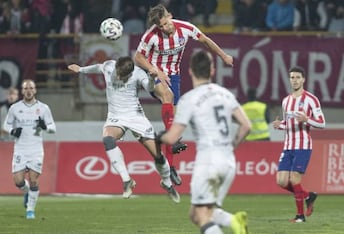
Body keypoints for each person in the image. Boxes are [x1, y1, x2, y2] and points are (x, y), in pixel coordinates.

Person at [134, 4, 234, 186]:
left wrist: (223, 55)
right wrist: (154, 69)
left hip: (174, 76)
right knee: (168, 96)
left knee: (175, 115)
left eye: (165, 24)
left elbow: (205, 40)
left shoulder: (186, 28)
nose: (164, 28)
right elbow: (138, 57)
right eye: (161, 26)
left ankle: (170, 167)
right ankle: (173, 140)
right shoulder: (151, 35)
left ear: (170, 16)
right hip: (154, 74)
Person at [156, 50, 251, 234]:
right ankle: (233, 221)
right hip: (228, 162)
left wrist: (157, 137)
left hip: (208, 162)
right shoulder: (225, 94)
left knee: (202, 216)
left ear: (190, 71)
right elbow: (246, 126)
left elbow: (172, 138)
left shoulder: (188, 99)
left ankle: (232, 223)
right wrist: (230, 148)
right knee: (196, 213)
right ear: (212, 70)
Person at [67, 56, 180, 203]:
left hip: (136, 117)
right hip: (115, 116)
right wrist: (81, 70)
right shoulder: (109, 66)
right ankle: (127, 180)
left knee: (157, 155)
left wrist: (152, 78)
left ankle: (167, 183)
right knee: (107, 139)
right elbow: (97, 67)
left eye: (123, 75)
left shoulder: (139, 73)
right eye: (118, 73)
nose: (119, 77)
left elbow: (150, 88)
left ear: (130, 73)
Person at [272, 66, 325, 223]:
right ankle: (308, 195)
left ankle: (300, 216)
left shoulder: (311, 99)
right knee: (281, 181)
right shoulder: (286, 101)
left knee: (295, 179)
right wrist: (279, 125)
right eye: (292, 77)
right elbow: (288, 123)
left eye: (297, 77)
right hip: (288, 145)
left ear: (303, 79)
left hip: (303, 145)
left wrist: (307, 119)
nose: (294, 80)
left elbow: (322, 123)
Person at [3, 79, 56, 219]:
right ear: (22, 91)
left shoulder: (44, 108)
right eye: (26, 88)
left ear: (35, 90)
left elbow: (53, 128)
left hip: (36, 149)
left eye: (31, 88)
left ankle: (30, 210)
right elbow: (6, 126)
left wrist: (45, 127)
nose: (28, 90)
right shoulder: (14, 108)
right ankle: (26, 191)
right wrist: (13, 132)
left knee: (34, 179)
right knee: (18, 181)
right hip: (20, 149)